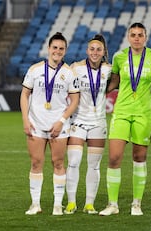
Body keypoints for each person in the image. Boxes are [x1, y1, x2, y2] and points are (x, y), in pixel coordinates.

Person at [98, 22, 151, 216]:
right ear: (128, 37)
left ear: (145, 37)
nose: (136, 38)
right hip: (122, 111)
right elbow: (115, 81)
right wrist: (97, 92)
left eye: (140, 35)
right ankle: (112, 204)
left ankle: (136, 203)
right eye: (133, 34)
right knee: (114, 157)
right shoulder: (119, 57)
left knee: (139, 157)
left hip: (144, 114)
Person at [20, 32, 80, 216]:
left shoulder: (69, 73)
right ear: (49, 48)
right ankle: (35, 204)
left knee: (58, 163)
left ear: (65, 51)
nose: (58, 51)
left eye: (61, 49)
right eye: (55, 47)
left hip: (58, 126)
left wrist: (61, 121)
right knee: (36, 162)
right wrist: (25, 119)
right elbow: (24, 94)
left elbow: (75, 100)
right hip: (36, 124)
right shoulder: (35, 70)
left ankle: (57, 205)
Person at [64, 34, 111, 215]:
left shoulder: (109, 69)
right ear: (87, 51)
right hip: (78, 121)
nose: (95, 52)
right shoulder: (76, 68)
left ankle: (89, 203)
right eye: (92, 49)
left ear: (103, 52)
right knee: (74, 162)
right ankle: (71, 202)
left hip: (98, 123)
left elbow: (116, 83)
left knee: (94, 165)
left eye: (98, 49)